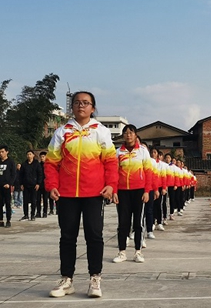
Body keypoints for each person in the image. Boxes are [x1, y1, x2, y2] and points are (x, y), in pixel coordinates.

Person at [45, 91, 118, 298]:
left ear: (92, 108)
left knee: (94, 235)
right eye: (77, 102)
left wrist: (111, 185)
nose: (81, 106)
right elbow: (51, 163)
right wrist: (52, 185)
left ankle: (95, 278)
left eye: (86, 103)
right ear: (72, 107)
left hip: (94, 193)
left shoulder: (100, 131)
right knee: (67, 237)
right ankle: (67, 279)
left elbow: (111, 162)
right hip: (66, 193)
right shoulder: (61, 132)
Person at [113, 124, 153, 263]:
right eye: (126, 133)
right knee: (123, 222)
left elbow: (148, 172)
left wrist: (147, 191)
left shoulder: (142, 151)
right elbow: (114, 173)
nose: (128, 135)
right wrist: (114, 191)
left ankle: (138, 252)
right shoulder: (118, 152)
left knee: (138, 223)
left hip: (139, 191)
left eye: (131, 132)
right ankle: (121, 252)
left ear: (136, 135)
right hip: (122, 192)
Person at [19, 150, 43, 221]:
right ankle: (26, 214)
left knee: (33, 200)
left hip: (34, 185)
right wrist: (21, 184)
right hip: (25, 185)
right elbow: (21, 175)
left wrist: (38, 183)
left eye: (30, 154)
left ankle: (33, 214)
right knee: (25, 201)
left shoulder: (36, 164)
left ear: (33, 155)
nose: (29, 156)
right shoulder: (24, 164)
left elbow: (40, 174)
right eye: (27, 154)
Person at [0, 145, 16, 228]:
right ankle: (1, 220)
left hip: (6, 186)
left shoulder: (11, 162)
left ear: (7, 152)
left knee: (7, 204)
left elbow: (13, 175)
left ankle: (8, 220)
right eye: (0, 152)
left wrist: (9, 184)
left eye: (2, 151)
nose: (1, 153)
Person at [36, 151, 50, 218]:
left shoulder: (48, 165)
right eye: (41, 157)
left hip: (46, 184)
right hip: (39, 184)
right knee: (38, 199)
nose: (42, 158)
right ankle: (38, 212)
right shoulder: (38, 165)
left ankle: (45, 212)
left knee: (45, 199)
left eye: (43, 156)